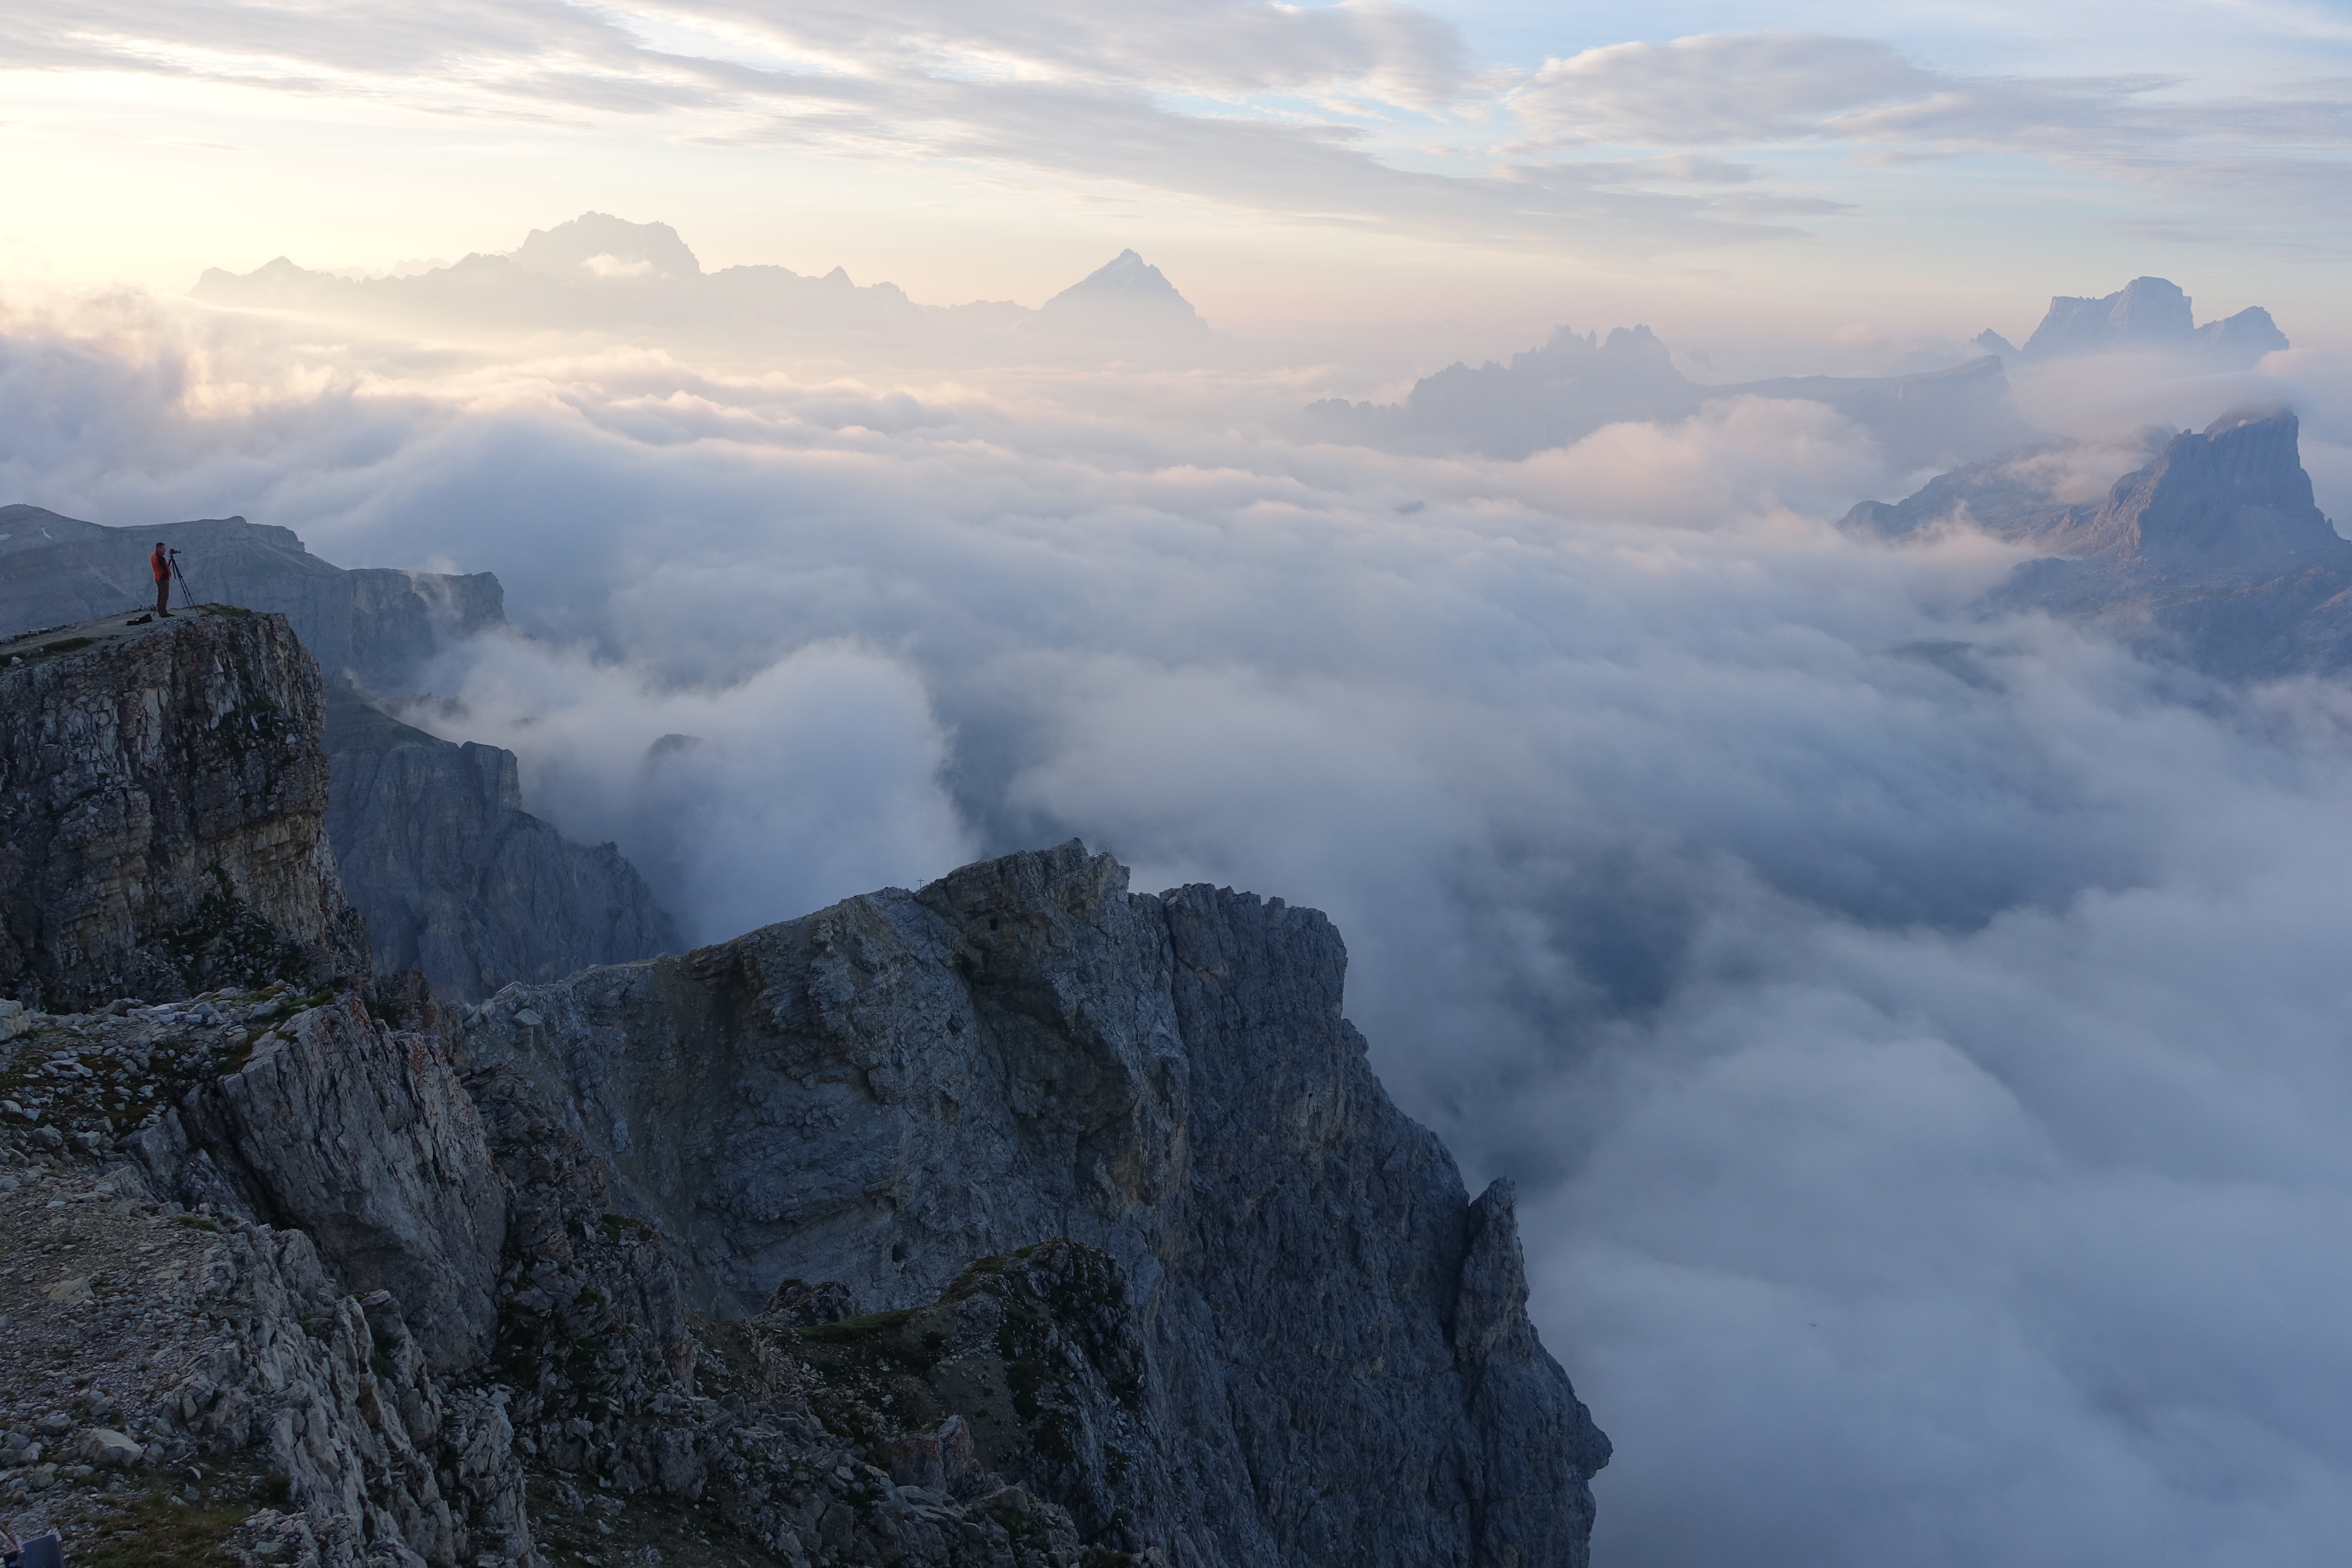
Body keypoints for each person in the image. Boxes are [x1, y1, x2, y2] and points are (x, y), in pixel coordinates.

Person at [150, 541, 172, 617]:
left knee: (161, 595)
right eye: (163, 548)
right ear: (159, 548)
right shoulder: (160, 557)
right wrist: (168, 574)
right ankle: (163, 613)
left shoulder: (154, 556)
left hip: (158, 577)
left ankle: (161, 611)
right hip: (163, 578)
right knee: (164, 595)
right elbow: (164, 568)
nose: (165, 550)